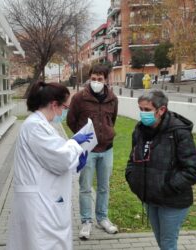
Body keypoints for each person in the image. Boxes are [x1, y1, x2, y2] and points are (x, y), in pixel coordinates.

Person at [7, 81, 93, 250]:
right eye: (65, 107)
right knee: (42, 243)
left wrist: (76, 164)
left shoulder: (41, 125)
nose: (64, 112)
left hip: (43, 197)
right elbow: (60, 158)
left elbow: (51, 160)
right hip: (38, 203)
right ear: (54, 105)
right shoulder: (35, 126)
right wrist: (74, 144)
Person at [125, 89, 196, 250]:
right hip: (150, 198)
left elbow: (193, 170)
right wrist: (133, 178)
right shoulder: (139, 131)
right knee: (162, 241)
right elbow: (133, 158)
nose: (142, 113)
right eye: (140, 109)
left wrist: (167, 186)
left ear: (162, 110)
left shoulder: (179, 132)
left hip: (172, 201)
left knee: (167, 243)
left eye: (147, 110)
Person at [67, 64, 118, 240]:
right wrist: (84, 138)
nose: (96, 82)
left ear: (106, 80)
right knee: (85, 188)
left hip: (107, 149)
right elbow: (71, 121)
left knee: (104, 187)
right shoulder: (80, 98)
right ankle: (86, 221)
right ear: (89, 78)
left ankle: (102, 218)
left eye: (100, 79)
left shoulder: (112, 98)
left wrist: (107, 133)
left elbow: (112, 119)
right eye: (93, 78)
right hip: (87, 151)